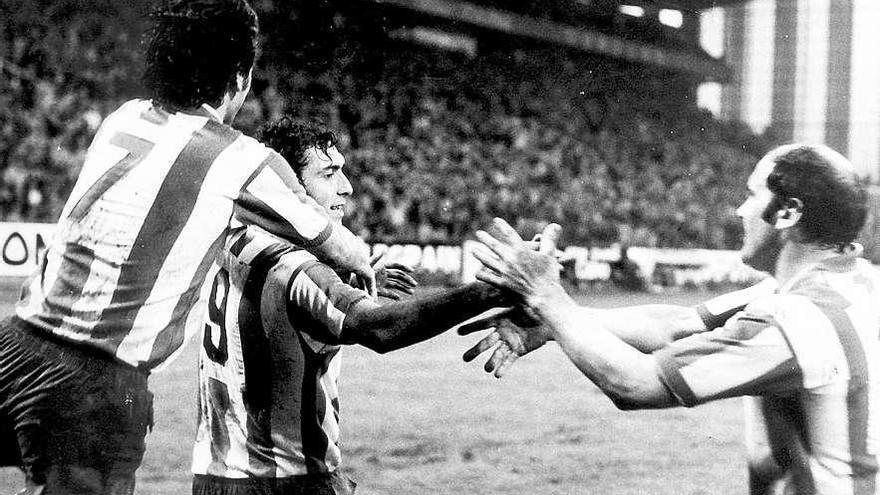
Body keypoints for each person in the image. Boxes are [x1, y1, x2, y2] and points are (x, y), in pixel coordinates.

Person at [0, 2, 374, 494]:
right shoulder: (242, 160)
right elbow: (338, 246)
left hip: (14, 345)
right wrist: (367, 265)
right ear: (240, 76)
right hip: (92, 386)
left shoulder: (123, 117)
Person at [469, 144, 879, 494]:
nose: (740, 210)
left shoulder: (797, 319)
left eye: (752, 195)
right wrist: (551, 323)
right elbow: (672, 323)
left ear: (788, 212)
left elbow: (635, 383)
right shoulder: (847, 285)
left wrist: (544, 294)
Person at [190, 118, 518, 495]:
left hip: (214, 477)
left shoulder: (231, 239)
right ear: (288, 187)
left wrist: (338, 280)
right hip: (288, 481)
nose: (346, 188)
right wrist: (494, 290)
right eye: (329, 174)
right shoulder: (297, 269)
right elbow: (380, 329)